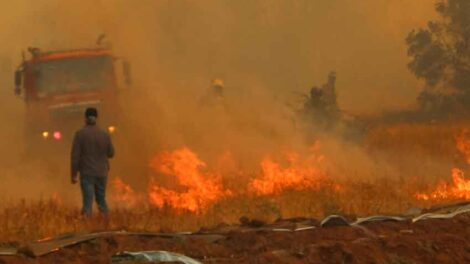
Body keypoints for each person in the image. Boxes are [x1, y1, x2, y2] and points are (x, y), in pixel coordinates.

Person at [71, 107, 115, 216]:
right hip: (102, 172)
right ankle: (106, 222)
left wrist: (74, 174)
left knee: (88, 201)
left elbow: (75, 156)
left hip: (87, 173)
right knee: (101, 200)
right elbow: (111, 153)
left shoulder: (80, 134)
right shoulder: (104, 134)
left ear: (85, 118)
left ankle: (87, 225)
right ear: (97, 118)